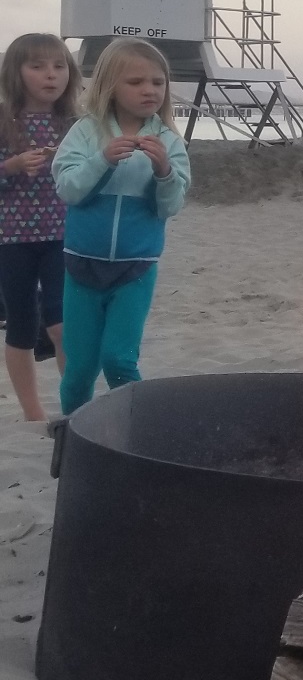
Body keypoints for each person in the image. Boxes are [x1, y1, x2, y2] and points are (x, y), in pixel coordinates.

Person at [51, 39, 191, 414]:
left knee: (119, 359)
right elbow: (68, 189)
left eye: (157, 82)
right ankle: (72, 434)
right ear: (110, 86)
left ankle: (138, 432)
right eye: (136, 82)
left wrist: (164, 172)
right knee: (79, 369)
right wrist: (102, 160)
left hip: (136, 268)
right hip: (82, 265)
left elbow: (171, 207)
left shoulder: (168, 140)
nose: (149, 90)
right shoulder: (85, 132)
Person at [0, 34, 80, 421]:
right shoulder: (4, 122)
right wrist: (11, 167)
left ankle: (75, 405)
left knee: (62, 324)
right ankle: (33, 415)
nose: (51, 75)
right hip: (11, 239)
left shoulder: (76, 124)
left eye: (59, 66)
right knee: (21, 325)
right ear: (15, 73)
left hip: (64, 236)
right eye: (38, 66)